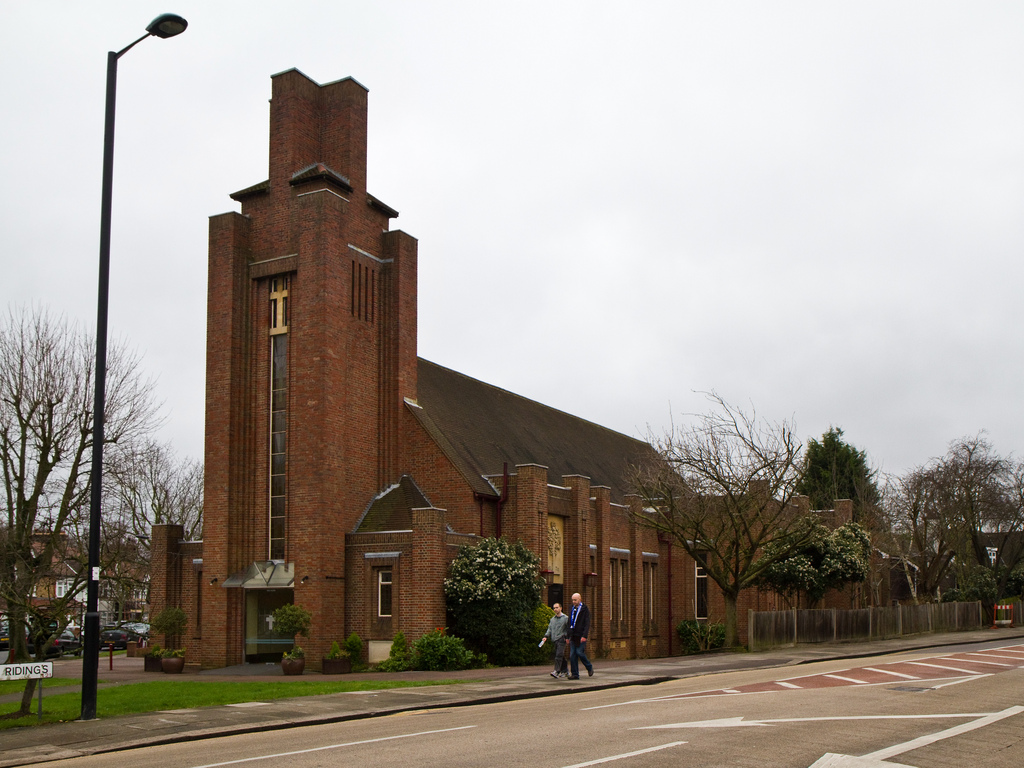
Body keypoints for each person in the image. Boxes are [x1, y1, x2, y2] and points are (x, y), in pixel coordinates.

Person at [566, 592, 594, 679]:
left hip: (581, 635)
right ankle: (575, 674)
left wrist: (584, 636)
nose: (573, 602)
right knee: (572, 655)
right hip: (573, 635)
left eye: (575, 600)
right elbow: (569, 622)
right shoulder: (571, 608)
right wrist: (567, 636)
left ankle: (589, 667)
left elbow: (587, 623)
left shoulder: (584, 609)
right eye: (572, 600)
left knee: (579, 652)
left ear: (580, 599)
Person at [540, 602, 569, 678]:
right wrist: (546, 636)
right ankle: (565, 670)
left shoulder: (565, 618)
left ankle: (556, 671)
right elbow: (549, 629)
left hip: (561, 639)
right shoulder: (552, 619)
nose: (555, 609)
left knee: (558, 655)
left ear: (561, 608)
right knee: (560, 655)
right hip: (555, 639)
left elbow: (568, 628)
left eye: (557, 607)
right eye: (554, 608)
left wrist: (566, 637)